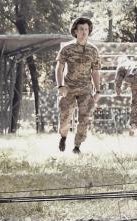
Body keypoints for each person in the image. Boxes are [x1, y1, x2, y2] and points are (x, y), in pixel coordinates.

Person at [56, 16, 101, 154]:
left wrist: (98, 90)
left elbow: (95, 72)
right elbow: (59, 68)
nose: (84, 32)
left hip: (86, 90)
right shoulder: (67, 49)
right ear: (75, 31)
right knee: (65, 117)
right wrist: (60, 86)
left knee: (85, 118)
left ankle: (77, 146)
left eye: (86, 29)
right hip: (68, 88)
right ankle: (63, 136)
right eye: (81, 29)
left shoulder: (93, 50)